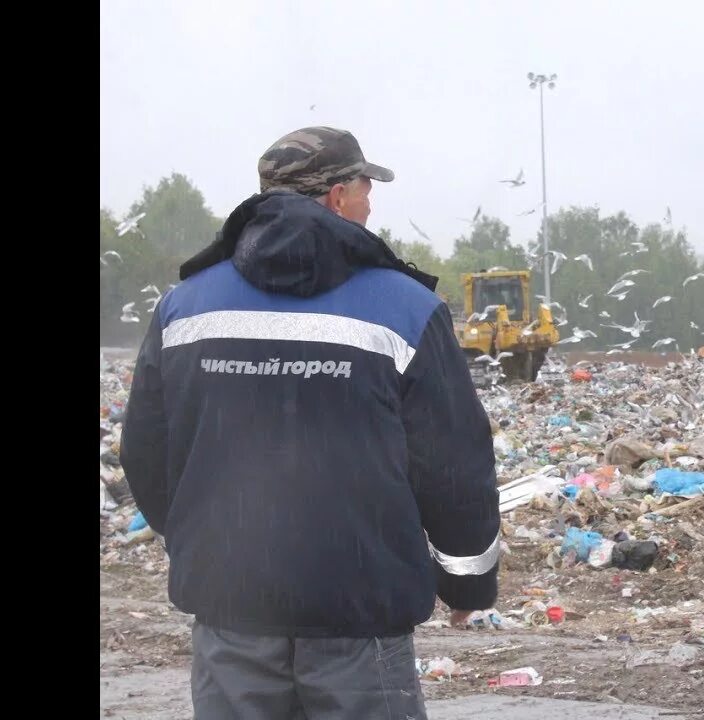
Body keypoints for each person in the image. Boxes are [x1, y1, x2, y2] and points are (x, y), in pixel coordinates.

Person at [120, 126, 500, 719]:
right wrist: (468, 581)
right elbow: (453, 463)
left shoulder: (186, 306)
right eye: (366, 186)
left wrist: (210, 544)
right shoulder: (405, 308)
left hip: (232, 612)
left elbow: (145, 449)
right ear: (336, 196)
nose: (371, 202)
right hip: (361, 614)